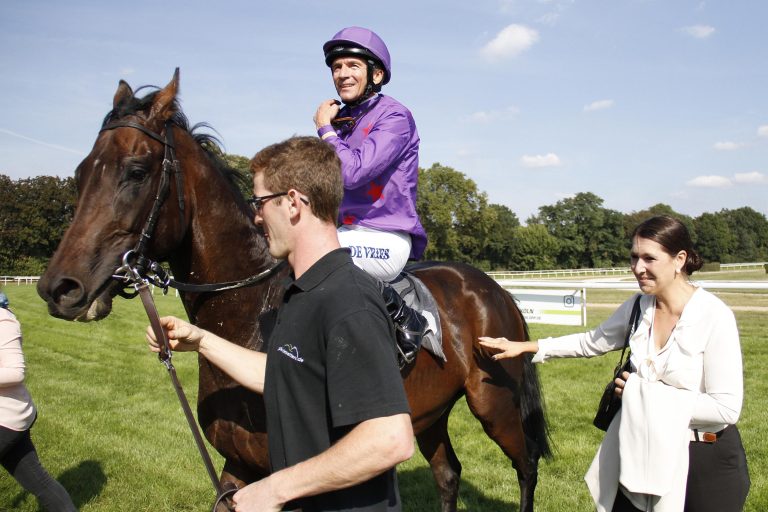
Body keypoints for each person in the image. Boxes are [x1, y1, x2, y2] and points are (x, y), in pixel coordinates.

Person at [146, 136, 414, 512]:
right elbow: (285, 372)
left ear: (292, 203)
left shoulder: (347, 300)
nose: (255, 216)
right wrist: (202, 340)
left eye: (259, 202)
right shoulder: (301, 291)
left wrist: (275, 489)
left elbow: (390, 437)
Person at [479, 215, 750, 512]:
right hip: (640, 451)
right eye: (634, 257)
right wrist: (525, 346)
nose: (637, 268)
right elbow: (591, 341)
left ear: (679, 259)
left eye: (649, 258)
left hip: (703, 459)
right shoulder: (638, 307)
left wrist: (638, 392)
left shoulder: (714, 316)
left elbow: (725, 407)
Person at [314, 26, 428, 364]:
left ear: (376, 74)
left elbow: (352, 173)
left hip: (386, 236)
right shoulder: (345, 121)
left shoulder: (395, 116)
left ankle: (406, 318)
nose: (342, 74)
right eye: (337, 67)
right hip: (345, 232)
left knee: (318, 260)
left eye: (352, 65)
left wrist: (324, 130)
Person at [0, 292, 77, 511]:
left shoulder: (2, 320)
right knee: (39, 482)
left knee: (40, 482)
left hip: (6, 417)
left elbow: (15, 372)